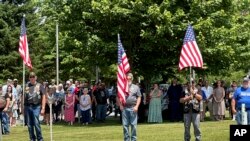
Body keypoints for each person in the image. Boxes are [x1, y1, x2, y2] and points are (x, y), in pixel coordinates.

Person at [118, 73, 141, 141]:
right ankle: (126, 139)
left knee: (133, 125)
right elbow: (119, 97)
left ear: (131, 78)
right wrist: (120, 105)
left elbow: (139, 97)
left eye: (129, 76)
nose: (128, 77)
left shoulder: (136, 87)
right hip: (124, 108)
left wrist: (136, 106)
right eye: (127, 76)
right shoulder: (122, 87)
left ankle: (133, 139)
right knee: (125, 126)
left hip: (133, 108)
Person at [23, 72, 46, 141]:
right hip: (27, 106)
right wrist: (22, 108)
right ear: (29, 78)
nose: (32, 78)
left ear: (36, 77)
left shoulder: (40, 85)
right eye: (31, 77)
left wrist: (43, 108)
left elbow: (44, 96)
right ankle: (32, 138)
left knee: (36, 123)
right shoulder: (26, 86)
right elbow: (22, 97)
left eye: (33, 77)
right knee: (29, 124)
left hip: (36, 106)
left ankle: (40, 138)